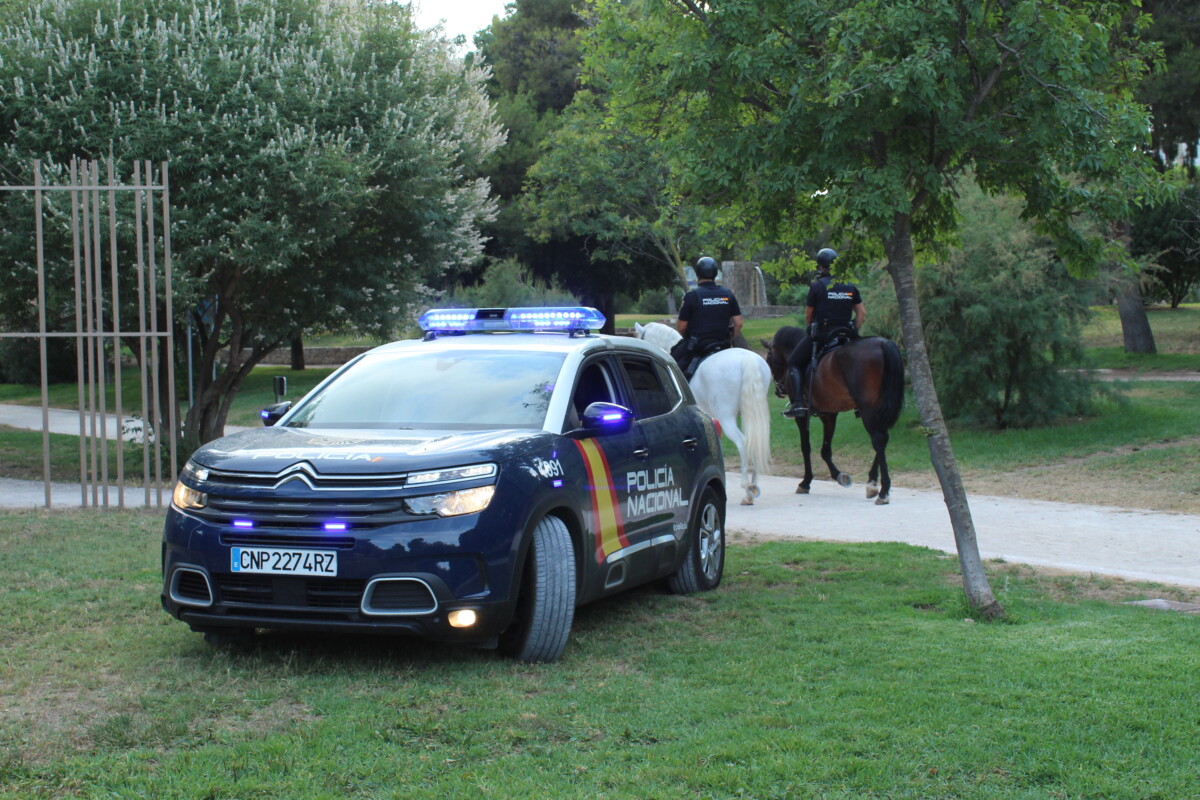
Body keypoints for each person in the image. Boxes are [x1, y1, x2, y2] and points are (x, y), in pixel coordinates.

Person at [781, 248, 866, 418]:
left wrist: (811, 329)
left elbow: (808, 315)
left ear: (820, 267)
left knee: (794, 363)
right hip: (846, 333)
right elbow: (861, 313)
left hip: (824, 333)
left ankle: (798, 403)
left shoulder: (817, 286)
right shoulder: (850, 285)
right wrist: (854, 328)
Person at [674, 256, 744, 378]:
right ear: (715, 274)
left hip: (699, 346)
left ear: (698, 274)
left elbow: (681, 327)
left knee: (674, 368)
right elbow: (738, 323)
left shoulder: (692, 296)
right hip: (723, 343)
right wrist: (730, 338)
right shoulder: (727, 294)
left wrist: (688, 339)